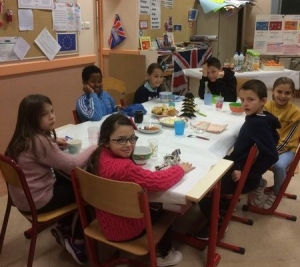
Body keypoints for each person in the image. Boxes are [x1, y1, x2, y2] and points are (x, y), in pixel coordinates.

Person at [86, 113, 195, 267]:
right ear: (105, 141)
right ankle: (166, 254)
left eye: (132, 138)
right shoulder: (125, 168)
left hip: (104, 221)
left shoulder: (99, 155)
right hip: (125, 230)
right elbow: (159, 181)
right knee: (164, 207)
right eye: (121, 140)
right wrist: (180, 170)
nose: (129, 144)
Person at [5, 94, 97, 265]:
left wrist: (52, 141)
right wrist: (93, 147)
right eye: (45, 114)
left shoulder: (22, 137)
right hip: (38, 200)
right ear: (31, 118)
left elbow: (39, 151)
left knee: (67, 182)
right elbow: (72, 164)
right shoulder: (41, 143)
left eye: (52, 111)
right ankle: (76, 243)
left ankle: (64, 228)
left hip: (22, 197)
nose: (52, 116)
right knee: (88, 194)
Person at [197, 79, 280, 239]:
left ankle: (217, 223)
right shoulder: (262, 116)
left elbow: (271, 155)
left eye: (250, 99)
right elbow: (273, 139)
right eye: (242, 100)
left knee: (203, 188)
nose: (245, 104)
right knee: (211, 161)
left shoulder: (257, 123)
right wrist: (241, 165)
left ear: (263, 101)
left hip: (245, 178)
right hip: (238, 165)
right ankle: (223, 205)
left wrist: (247, 174)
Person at [256, 77, 300, 209]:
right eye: (279, 91)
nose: (282, 96)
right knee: (250, 158)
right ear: (273, 92)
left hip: (287, 149)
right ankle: (259, 184)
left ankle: (276, 191)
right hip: (268, 146)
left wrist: (270, 152)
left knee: (279, 165)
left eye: (287, 93)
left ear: (293, 94)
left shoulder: (296, 113)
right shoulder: (266, 107)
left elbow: (288, 139)